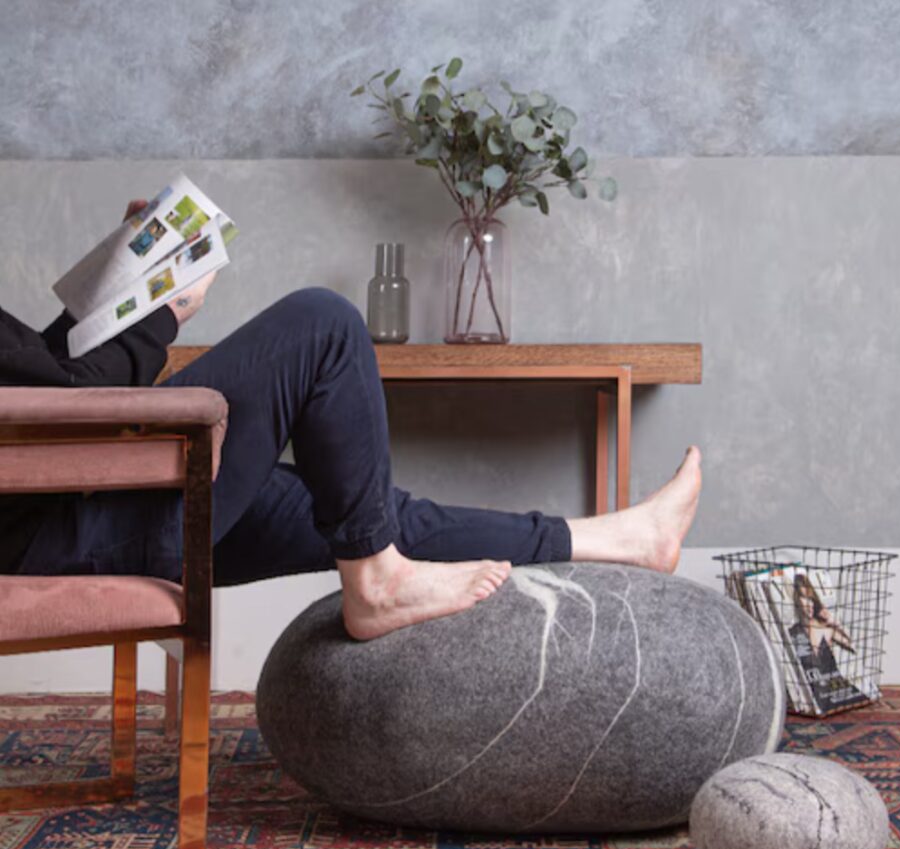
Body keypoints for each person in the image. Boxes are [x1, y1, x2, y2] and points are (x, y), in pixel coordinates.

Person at [0, 199, 702, 641]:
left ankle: (624, 539)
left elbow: (40, 383)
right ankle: (376, 585)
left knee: (364, 514)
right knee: (323, 323)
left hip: (89, 504)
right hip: (74, 527)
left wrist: (131, 277)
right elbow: (59, 398)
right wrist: (165, 309)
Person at [787, 572, 854, 676]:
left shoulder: (825, 627)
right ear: (797, 600)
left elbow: (852, 646)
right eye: (805, 598)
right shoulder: (792, 633)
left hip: (834, 686)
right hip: (810, 689)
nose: (810, 604)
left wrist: (835, 623)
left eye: (811, 599)